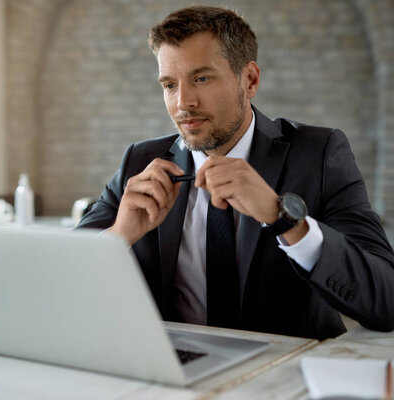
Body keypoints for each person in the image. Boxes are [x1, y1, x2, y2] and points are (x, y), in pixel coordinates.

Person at [77, 5, 394, 340]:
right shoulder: (140, 161)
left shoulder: (318, 154)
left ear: (250, 80)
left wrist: (284, 218)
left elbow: (386, 300)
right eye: (170, 85)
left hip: (287, 380)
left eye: (201, 78)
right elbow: (55, 281)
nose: (183, 102)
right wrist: (118, 237)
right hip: (171, 378)